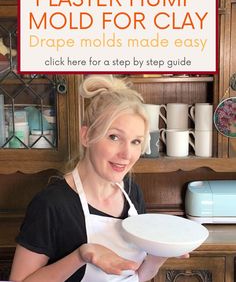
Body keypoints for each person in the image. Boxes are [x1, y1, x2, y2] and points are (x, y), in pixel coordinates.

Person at [10, 75, 170, 281]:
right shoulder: (51, 204)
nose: (126, 154)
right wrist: (81, 255)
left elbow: (137, 276)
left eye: (136, 141)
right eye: (114, 137)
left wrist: (159, 257)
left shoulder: (131, 192)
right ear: (86, 136)